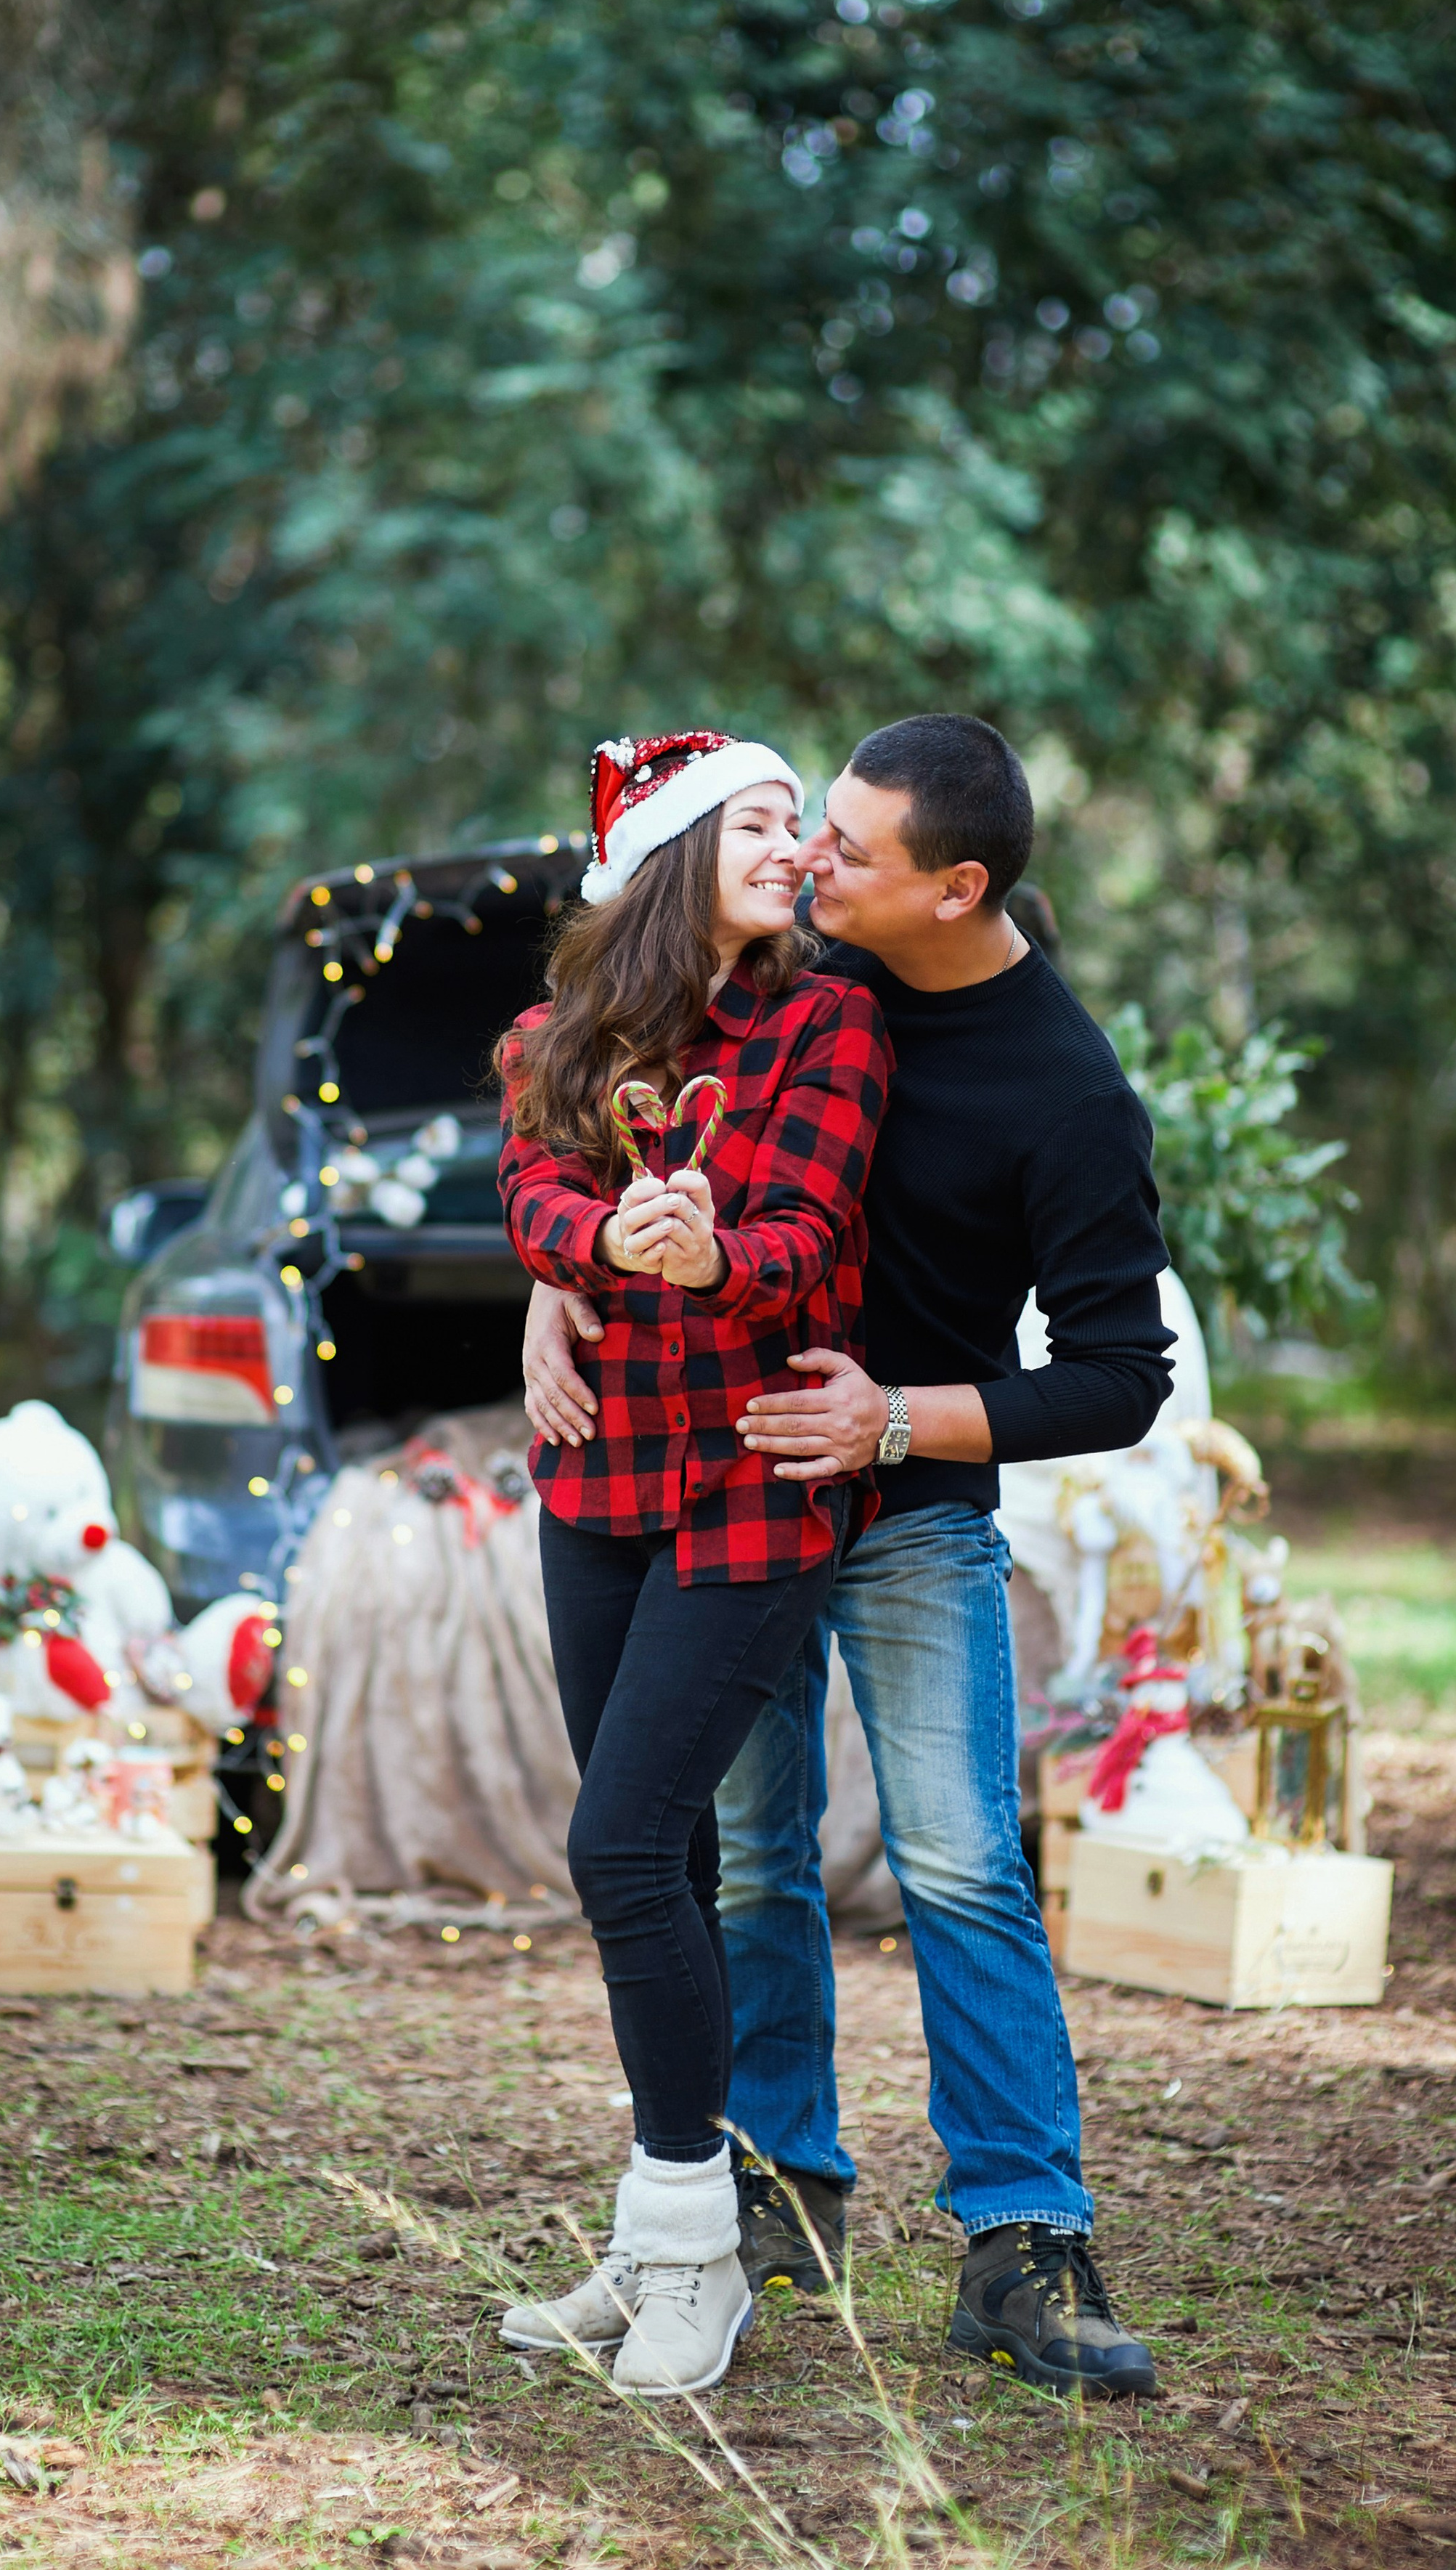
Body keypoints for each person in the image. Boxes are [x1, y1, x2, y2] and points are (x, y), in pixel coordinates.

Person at [523, 714, 1173, 2401]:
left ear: (954, 889)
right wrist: (561, 1271)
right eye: (809, 830)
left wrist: (897, 1421)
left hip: (898, 1502)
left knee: (958, 1862)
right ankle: (770, 2188)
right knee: (739, 1857)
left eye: (851, 852)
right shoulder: (805, 980)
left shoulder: (1065, 1090)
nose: (812, 861)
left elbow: (1116, 1377)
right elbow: (604, 1110)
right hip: (717, 1495)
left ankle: (1022, 2235)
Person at [494, 728, 891, 2399]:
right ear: (664, 849)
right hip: (595, 1485)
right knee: (647, 1866)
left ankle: (694, 2254)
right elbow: (525, 1188)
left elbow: (806, 1232)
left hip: (749, 1485)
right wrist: (584, 1248)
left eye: (800, 820)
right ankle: (674, 2219)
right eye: (758, 817)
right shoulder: (552, 1036)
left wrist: (712, 1251)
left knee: (624, 1846)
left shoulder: (827, 1020)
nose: (792, 842)